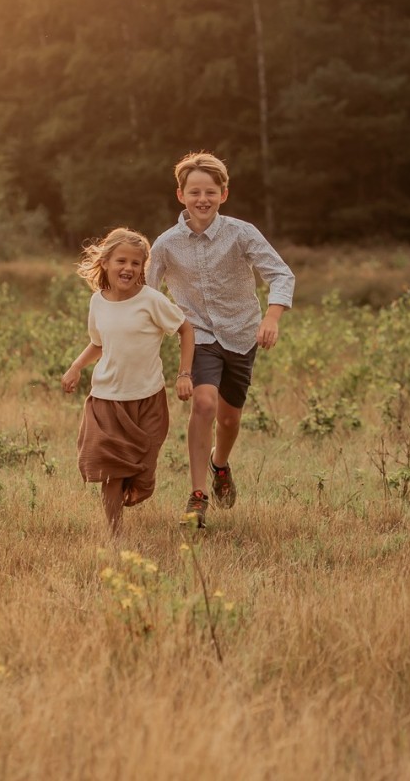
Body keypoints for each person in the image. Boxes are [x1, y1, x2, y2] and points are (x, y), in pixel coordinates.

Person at [148, 151, 294, 528]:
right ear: (180, 195)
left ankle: (220, 464)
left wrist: (272, 317)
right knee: (204, 404)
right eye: (194, 192)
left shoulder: (242, 233)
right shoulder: (165, 244)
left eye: (210, 192)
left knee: (229, 419)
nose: (202, 199)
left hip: (242, 333)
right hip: (197, 334)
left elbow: (281, 275)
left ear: (223, 194)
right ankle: (197, 496)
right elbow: (146, 291)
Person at [62, 226, 195, 535]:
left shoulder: (151, 300)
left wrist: (184, 374)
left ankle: (133, 490)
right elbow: (98, 343)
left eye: (136, 263)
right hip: (107, 399)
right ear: (105, 262)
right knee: (111, 470)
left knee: (143, 475)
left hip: (148, 399)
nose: (128, 268)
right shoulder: (98, 302)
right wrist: (75, 367)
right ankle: (115, 535)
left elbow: (186, 329)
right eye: (121, 261)